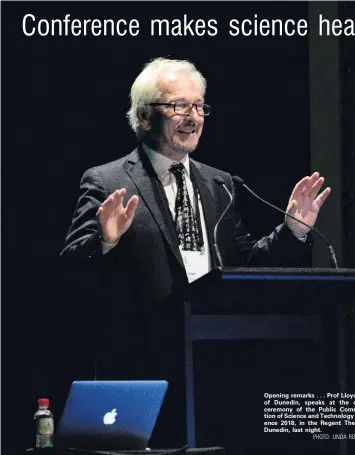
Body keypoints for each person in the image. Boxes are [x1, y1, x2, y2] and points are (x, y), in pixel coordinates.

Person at [60, 57, 331, 448]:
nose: (193, 117)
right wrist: (106, 241)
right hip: (143, 372)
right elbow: (71, 268)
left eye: (200, 106)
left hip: (214, 365)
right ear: (145, 116)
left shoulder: (219, 184)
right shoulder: (108, 180)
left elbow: (244, 264)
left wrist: (292, 230)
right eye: (179, 106)